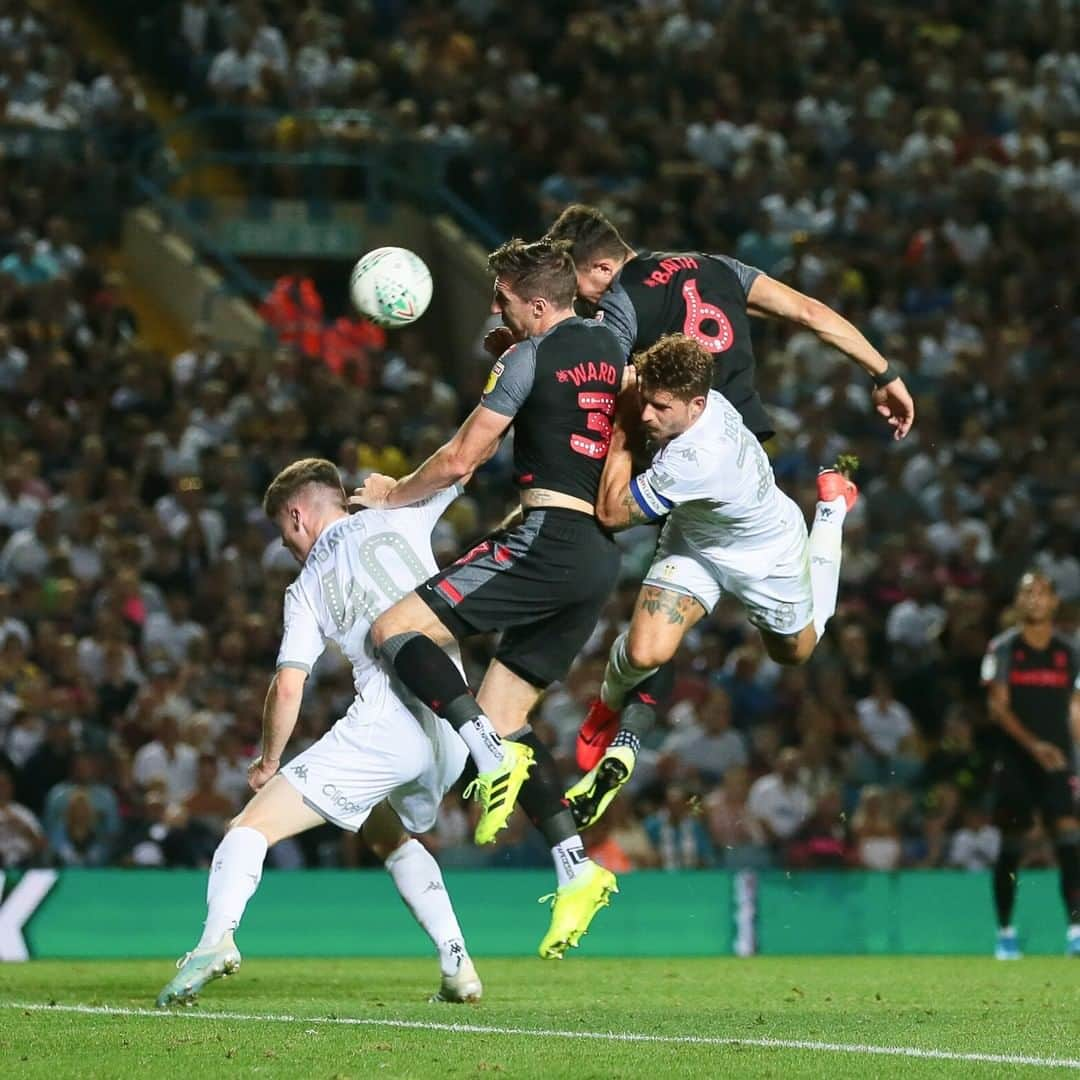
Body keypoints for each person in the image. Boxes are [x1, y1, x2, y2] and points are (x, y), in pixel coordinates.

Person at [352, 238, 622, 959]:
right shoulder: (616, 342)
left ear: (536, 303)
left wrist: (389, 495)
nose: (493, 310)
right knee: (506, 715)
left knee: (394, 629)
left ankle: (482, 753)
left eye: (501, 298)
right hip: (600, 557)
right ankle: (576, 864)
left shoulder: (527, 357)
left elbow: (460, 459)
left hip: (551, 535)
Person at [156, 459, 482, 1007]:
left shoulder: (306, 584)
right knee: (388, 833)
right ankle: (458, 967)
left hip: (387, 724)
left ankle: (215, 942)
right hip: (452, 722)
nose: (288, 547)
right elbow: (464, 459)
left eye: (285, 535)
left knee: (248, 827)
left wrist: (267, 760)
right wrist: (396, 486)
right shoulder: (400, 511)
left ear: (297, 514)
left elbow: (289, 685)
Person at [564, 334, 857, 829]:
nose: (650, 415)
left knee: (797, 651)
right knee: (643, 654)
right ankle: (607, 707)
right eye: (648, 403)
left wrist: (620, 430)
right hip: (697, 541)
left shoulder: (698, 458)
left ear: (697, 405)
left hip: (768, 554)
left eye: (661, 408)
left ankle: (831, 510)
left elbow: (612, 513)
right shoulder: (696, 394)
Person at [543, 202, 915, 444]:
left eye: (578, 288)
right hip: (747, 439)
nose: (581, 298)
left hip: (690, 450)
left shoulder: (620, 297)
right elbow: (810, 313)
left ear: (603, 267)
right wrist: (885, 375)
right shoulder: (719, 266)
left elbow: (598, 379)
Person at [981, 571, 1080, 959]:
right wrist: (1035, 746)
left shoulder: (1069, 652)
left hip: (1057, 761)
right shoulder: (1003, 648)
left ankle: (1075, 929)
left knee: (1070, 841)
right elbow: (997, 709)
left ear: (1054, 601)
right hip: (1016, 761)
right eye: (1027, 593)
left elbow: (1075, 711)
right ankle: (1005, 932)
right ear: (1018, 602)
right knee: (1012, 846)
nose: (1035, 599)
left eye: (1042, 592)